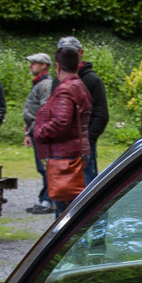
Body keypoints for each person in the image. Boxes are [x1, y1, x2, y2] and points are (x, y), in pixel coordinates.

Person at [32, 48, 93, 218]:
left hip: (64, 157)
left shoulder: (66, 89)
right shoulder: (80, 85)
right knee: (76, 208)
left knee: (64, 214)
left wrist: (39, 132)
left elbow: (61, 122)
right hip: (76, 151)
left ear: (57, 67)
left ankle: (66, 244)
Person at [56, 37, 108, 184]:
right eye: (63, 54)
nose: (67, 58)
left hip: (83, 146)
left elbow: (101, 114)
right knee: (60, 188)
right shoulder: (57, 80)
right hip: (60, 146)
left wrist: (87, 140)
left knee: (86, 188)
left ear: (81, 53)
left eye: (71, 53)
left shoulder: (92, 80)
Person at [22, 53, 55, 213]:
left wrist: (36, 130)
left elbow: (44, 111)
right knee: (42, 168)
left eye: (34, 63)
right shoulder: (39, 83)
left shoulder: (45, 85)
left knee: (46, 168)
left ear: (44, 65)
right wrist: (28, 133)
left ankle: (48, 201)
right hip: (36, 131)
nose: (30, 66)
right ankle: (45, 200)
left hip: (41, 133)